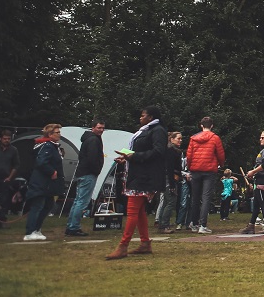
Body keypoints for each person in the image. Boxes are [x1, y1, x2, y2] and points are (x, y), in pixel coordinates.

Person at [106, 106, 167, 259]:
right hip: (138, 174)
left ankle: (123, 246)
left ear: (151, 117)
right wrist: (127, 157)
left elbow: (158, 152)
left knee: (132, 210)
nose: (140, 118)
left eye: (143, 115)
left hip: (145, 176)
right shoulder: (146, 130)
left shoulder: (157, 130)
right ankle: (145, 243)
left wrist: (134, 156)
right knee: (139, 212)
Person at [23, 124, 65, 241]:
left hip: (48, 185)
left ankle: (37, 229)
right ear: (50, 134)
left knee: (48, 205)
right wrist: (52, 172)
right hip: (41, 182)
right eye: (57, 132)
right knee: (38, 206)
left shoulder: (53, 146)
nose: (59, 134)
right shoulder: (47, 146)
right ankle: (30, 231)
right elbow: (41, 162)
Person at [65, 120, 105, 237]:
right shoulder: (93, 140)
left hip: (83, 172)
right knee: (82, 201)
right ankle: (74, 227)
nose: (101, 130)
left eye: (103, 128)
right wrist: (96, 170)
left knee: (78, 200)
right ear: (93, 128)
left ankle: (70, 226)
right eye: (99, 127)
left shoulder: (88, 139)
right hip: (88, 173)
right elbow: (92, 158)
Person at [186, 116, 225, 235]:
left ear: (201, 125)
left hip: (195, 169)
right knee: (206, 197)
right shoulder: (215, 138)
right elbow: (220, 154)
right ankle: (203, 225)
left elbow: (189, 155)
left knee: (195, 197)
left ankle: (193, 223)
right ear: (212, 126)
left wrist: (190, 167)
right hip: (209, 170)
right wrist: (220, 164)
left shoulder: (193, 139)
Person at [243, 130, 264, 234]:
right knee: (257, 203)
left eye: (263, 137)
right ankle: (251, 225)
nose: (260, 139)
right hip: (262, 177)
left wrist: (253, 172)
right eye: (260, 137)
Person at [156, 131, 183, 233]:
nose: (180, 140)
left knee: (166, 202)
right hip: (170, 178)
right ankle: (164, 225)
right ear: (172, 139)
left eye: (181, 139)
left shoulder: (169, 150)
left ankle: (162, 224)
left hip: (168, 177)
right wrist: (172, 183)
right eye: (178, 138)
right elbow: (170, 167)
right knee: (171, 201)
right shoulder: (171, 151)